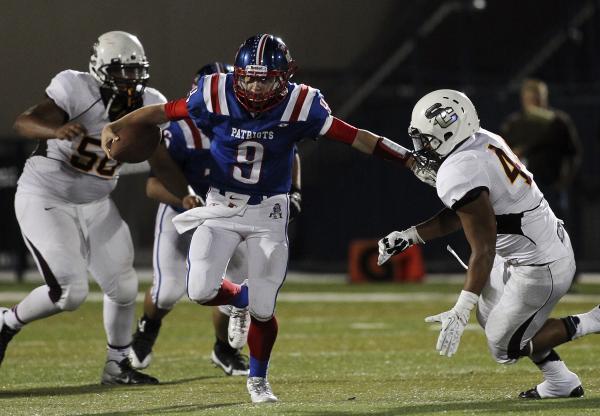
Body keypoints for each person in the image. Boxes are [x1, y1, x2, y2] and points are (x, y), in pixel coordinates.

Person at [101, 34, 418, 403]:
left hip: (269, 211)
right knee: (199, 290)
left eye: (265, 78)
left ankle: (258, 379)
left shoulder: (302, 104)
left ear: (284, 77)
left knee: (265, 310)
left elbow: (356, 137)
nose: (254, 85)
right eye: (249, 77)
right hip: (221, 205)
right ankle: (240, 300)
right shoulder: (215, 91)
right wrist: (116, 126)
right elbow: (159, 113)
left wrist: (406, 158)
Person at [0, 31, 195, 385]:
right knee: (69, 293)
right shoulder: (75, 87)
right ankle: (6, 322)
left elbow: (160, 159)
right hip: (47, 194)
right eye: (122, 71)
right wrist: (55, 129)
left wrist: (185, 195)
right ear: (101, 68)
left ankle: (117, 366)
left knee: (123, 287)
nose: (131, 80)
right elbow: (24, 121)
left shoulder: (149, 101)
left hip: (96, 201)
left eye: (137, 72)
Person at [378, 89, 600, 399]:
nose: (423, 146)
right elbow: (468, 212)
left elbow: (483, 248)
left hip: (540, 263)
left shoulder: (461, 167)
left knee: (506, 348)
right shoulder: (482, 138)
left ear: (450, 130)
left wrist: (460, 308)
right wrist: (411, 235)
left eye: (427, 138)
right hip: (532, 246)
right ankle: (561, 382)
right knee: (492, 316)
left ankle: (594, 320)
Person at [129, 62, 303, 376]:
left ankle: (223, 349)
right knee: (168, 290)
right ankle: (146, 332)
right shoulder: (179, 131)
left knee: (234, 285)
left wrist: (296, 191)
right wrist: (183, 198)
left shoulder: (251, 118)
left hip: (231, 214)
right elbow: (153, 185)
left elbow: (290, 152)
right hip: (183, 214)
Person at [501, 78, 582, 223]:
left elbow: (574, 154)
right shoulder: (514, 123)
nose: (533, 103)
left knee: (557, 229)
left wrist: (563, 181)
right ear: (523, 100)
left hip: (551, 187)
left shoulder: (559, 122)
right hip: (522, 190)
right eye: (530, 99)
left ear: (544, 98)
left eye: (537, 98)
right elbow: (501, 155)